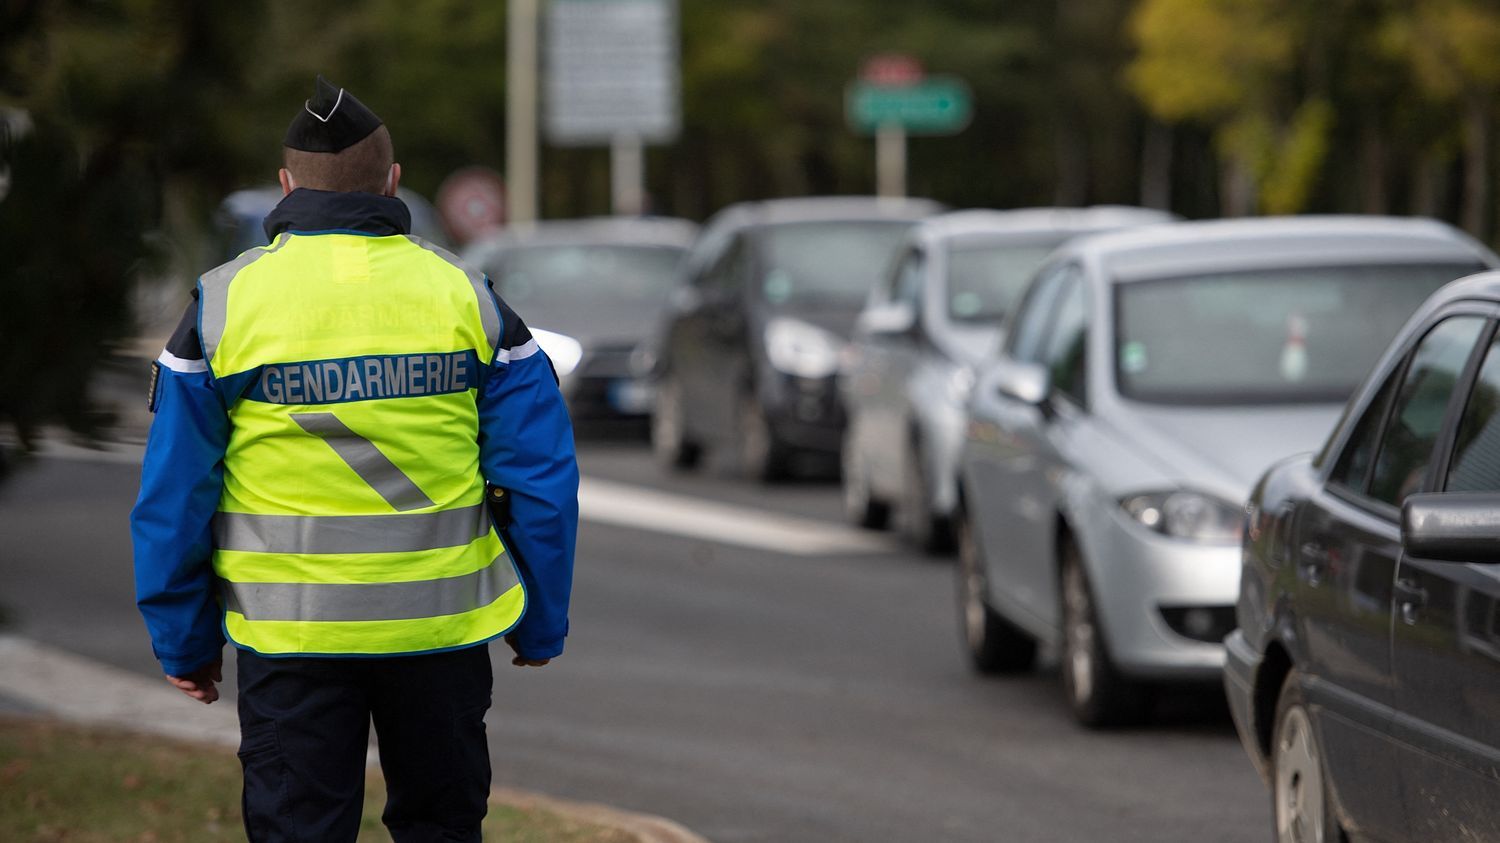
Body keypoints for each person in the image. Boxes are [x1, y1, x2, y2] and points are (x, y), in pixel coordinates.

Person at [130, 75, 579, 842]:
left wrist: (186, 639)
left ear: (285, 185)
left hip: (291, 640)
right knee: (441, 826)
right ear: (393, 181)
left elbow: (176, 494)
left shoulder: (222, 306)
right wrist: (539, 620)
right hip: (441, 636)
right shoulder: (469, 300)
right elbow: (538, 478)